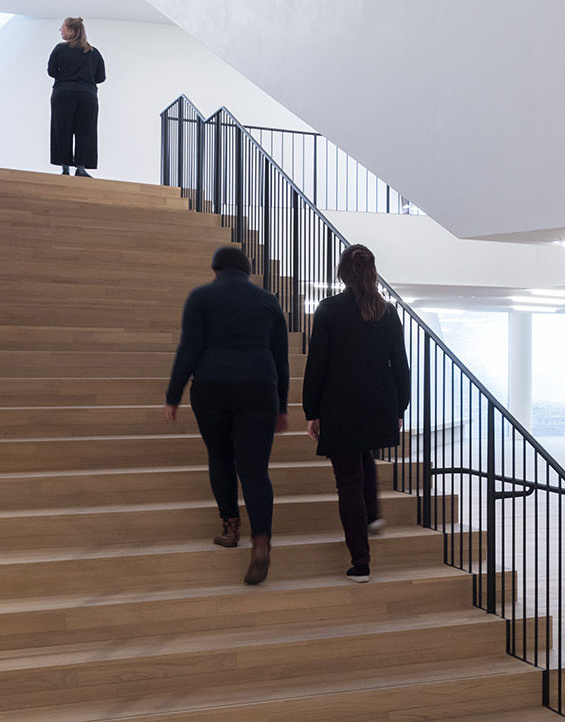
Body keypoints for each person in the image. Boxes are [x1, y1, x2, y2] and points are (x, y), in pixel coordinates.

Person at [164, 244, 290, 586]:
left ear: (215, 270)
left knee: (220, 456)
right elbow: (281, 359)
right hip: (260, 387)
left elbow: (189, 348)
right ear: (248, 272)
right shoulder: (268, 301)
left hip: (212, 387)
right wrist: (282, 406)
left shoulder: (201, 297)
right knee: (254, 469)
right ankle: (261, 543)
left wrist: (173, 395)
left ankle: (230, 527)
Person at [303, 245, 410, 584]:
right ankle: (372, 515)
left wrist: (312, 410)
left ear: (342, 273)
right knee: (364, 454)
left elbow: (317, 365)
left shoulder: (329, 310)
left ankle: (361, 562)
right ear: (372, 272)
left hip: (341, 404)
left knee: (347, 482)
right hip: (380, 403)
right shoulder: (388, 312)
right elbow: (400, 366)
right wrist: (400, 407)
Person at [47, 17, 106, 177]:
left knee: (62, 128)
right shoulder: (94, 52)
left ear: (72, 31)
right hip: (87, 95)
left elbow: (51, 71)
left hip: (63, 93)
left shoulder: (59, 49)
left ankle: (65, 167)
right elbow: (101, 77)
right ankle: (80, 167)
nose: (60, 30)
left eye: (63, 28)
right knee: (86, 130)